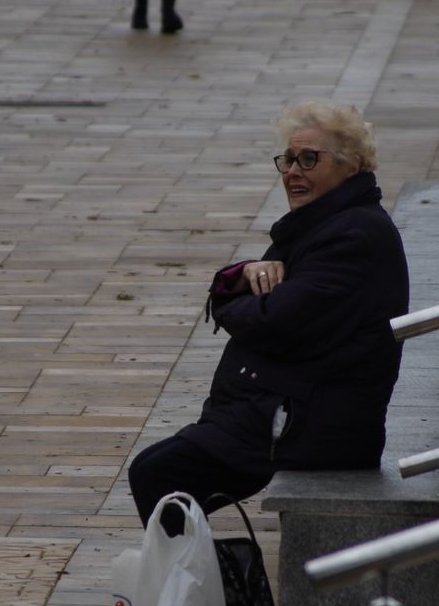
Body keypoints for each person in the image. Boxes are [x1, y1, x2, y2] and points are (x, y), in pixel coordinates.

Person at [128, 100, 410, 534]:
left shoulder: (353, 236)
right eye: (289, 159)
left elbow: (274, 320)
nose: (293, 171)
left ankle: (205, 594)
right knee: (157, 472)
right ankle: (200, 589)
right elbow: (258, 296)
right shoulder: (320, 223)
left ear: (350, 166)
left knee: (160, 475)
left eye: (309, 159)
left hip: (313, 424)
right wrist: (238, 277)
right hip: (286, 407)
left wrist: (226, 298)